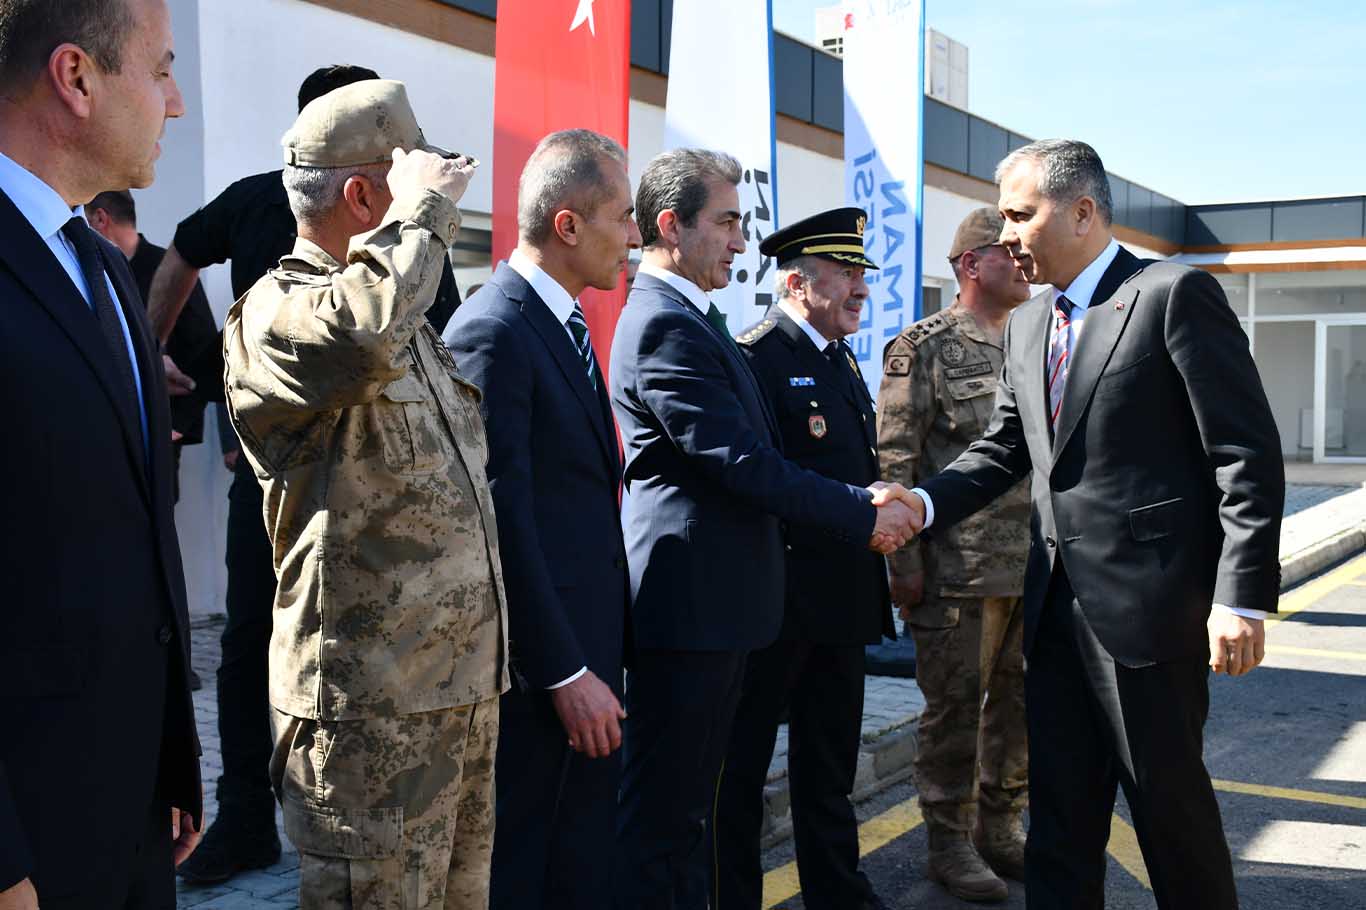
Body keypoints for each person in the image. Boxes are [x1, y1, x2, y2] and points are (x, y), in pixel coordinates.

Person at [903, 139, 1285, 909]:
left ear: (1081, 211)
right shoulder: (1028, 323)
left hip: (1149, 617)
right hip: (1053, 618)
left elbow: (1244, 454)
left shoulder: (1171, 294)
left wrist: (1239, 597)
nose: (1006, 234)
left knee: (1170, 819)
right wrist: (923, 503)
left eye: (1020, 213)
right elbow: (1004, 449)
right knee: (1062, 828)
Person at [147, 63, 460, 886]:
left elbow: (440, 343)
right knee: (254, 637)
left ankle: (279, 810)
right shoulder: (266, 212)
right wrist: (155, 355)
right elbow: (183, 249)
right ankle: (249, 811)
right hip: (286, 484)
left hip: (377, 512)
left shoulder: (410, 244)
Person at [607, 148, 920, 909]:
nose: (742, 242)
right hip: (698, 607)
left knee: (692, 815)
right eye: (728, 222)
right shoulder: (665, 327)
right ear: (671, 227)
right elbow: (748, 464)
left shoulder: (693, 321)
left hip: (736, 604)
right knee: (681, 815)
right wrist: (861, 510)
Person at [224, 78, 506, 909]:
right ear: (363, 193)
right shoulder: (280, 312)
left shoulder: (404, 312)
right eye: (417, 170)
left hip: (458, 698)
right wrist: (422, 216)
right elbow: (362, 337)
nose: (441, 186)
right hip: (369, 719)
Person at [0, 0, 202, 907]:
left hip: (130, 812)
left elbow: (137, 538)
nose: (176, 103)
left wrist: (173, 761)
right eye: (160, 70)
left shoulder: (106, 267)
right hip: (29, 838)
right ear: (76, 77)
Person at [444, 128, 639, 909]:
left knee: (579, 866)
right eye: (622, 217)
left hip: (585, 661)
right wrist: (561, 670)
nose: (633, 236)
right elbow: (500, 523)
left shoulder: (555, 322)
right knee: (522, 871)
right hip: (541, 684)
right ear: (567, 225)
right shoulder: (494, 330)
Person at [715, 207, 894, 910]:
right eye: (846, 276)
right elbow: (763, 481)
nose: (860, 290)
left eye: (861, 276)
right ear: (796, 282)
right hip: (778, 609)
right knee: (742, 773)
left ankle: (839, 896)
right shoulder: (757, 357)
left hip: (840, 605)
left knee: (829, 771)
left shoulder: (839, 358)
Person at [878, 208, 1033, 903]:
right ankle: (948, 842)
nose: (1022, 260)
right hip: (957, 573)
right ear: (971, 263)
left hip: (1032, 566)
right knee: (956, 712)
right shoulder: (924, 346)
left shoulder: (1037, 338)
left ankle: (1000, 830)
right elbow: (895, 462)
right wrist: (902, 565)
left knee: (1019, 709)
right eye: (1007, 250)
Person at [88, 189, 218, 501]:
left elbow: (202, 347)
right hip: (102, 430)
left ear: (101, 218)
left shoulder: (169, 268)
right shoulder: (90, 270)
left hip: (158, 430)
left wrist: (175, 426)